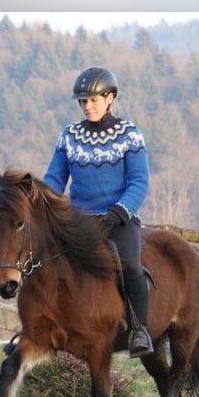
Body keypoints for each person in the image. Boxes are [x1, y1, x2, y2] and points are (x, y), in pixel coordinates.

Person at [43, 65, 153, 357]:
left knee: (129, 264)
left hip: (118, 218)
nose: (87, 106)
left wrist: (119, 211)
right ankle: (38, 326)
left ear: (110, 98)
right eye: (83, 101)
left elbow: (139, 181)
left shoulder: (129, 134)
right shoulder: (69, 136)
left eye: (93, 100)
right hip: (78, 219)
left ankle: (140, 329)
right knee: (47, 260)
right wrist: (43, 202)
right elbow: (54, 179)